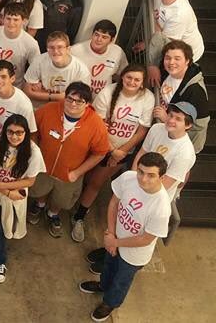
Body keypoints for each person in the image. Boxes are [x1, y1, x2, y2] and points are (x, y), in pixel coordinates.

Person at [78, 153, 171, 322]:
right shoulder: (129, 178)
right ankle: (103, 285)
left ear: (162, 177)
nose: (143, 179)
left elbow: (145, 239)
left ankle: (109, 303)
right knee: (108, 266)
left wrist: (115, 242)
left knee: (121, 280)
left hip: (134, 255)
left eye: (151, 175)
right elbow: (114, 203)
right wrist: (111, 234)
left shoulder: (161, 208)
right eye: (141, 172)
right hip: (115, 239)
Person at [75, 65, 154, 238]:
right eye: (129, 78)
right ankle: (73, 200)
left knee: (96, 182)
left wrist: (121, 152)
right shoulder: (107, 93)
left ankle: (79, 217)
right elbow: (97, 124)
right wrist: (111, 150)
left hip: (123, 152)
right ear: (122, 77)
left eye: (137, 79)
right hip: (99, 145)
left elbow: (142, 130)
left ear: (142, 83)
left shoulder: (148, 98)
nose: (132, 82)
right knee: (85, 177)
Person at [29, 82, 110, 240]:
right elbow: (33, 128)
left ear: (87, 104)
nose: (73, 104)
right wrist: (34, 152)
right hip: (43, 167)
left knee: (62, 199)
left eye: (79, 101)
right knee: (39, 190)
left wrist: (77, 173)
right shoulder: (48, 110)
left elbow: (100, 153)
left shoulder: (96, 125)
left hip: (69, 173)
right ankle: (39, 205)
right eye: (70, 99)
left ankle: (53, 214)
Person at [0, 115, 45, 284]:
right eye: (10, 132)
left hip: (13, 194)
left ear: (26, 133)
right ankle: (0, 261)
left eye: (19, 133)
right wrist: (7, 191)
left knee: (2, 224)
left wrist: (1, 185)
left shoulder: (33, 152)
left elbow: (30, 180)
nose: (14, 136)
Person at [132, 102, 197, 244]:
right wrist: (131, 180)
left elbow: (165, 184)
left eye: (178, 119)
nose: (171, 120)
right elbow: (141, 154)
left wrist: (138, 193)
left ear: (188, 126)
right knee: (125, 225)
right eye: (170, 115)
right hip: (139, 186)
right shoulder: (157, 129)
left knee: (137, 234)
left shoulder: (185, 152)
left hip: (154, 200)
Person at [145, 0, 205, 87]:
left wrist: (153, 65)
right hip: (168, 37)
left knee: (169, 80)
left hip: (187, 49)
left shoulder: (180, 14)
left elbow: (166, 42)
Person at [154, 40, 210, 152]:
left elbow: (199, 126)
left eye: (177, 58)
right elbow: (158, 38)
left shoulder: (195, 91)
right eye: (168, 58)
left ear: (187, 61)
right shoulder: (166, 71)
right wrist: (152, 66)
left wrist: (166, 119)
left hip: (179, 144)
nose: (171, 62)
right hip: (164, 131)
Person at [24, 31, 90, 108]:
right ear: (47, 49)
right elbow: (27, 91)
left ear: (68, 49)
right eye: (51, 47)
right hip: (39, 108)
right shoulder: (39, 61)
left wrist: (42, 93)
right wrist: (61, 96)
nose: (55, 51)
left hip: (65, 109)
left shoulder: (81, 69)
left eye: (60, 47)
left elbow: (79, 100)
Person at [0, 3, 41, 86]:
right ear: (2, 19)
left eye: (16, 20)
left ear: (24, 21)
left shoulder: (31, 43)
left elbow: (36, 68)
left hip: (15, 87)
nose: (11, 23)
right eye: (8, 18)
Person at [71, 20, 128, 96]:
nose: (99, 39)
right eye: (96, 35)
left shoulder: (117, 51)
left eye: (104, 37)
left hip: (103, 98)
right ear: (92, 35)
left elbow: (124, 74)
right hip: (79, 97)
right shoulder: (76, 50)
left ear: (112, 40)